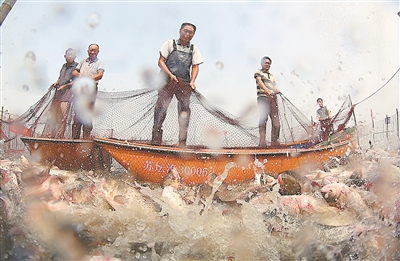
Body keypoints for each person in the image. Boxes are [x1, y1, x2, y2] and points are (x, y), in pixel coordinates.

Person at [151, 23, 203, 147]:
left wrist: (192, 81)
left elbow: (195, 66)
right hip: (166, 81)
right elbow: (161, 62)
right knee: (161, 108)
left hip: (184, 83)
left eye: (191, 32)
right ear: (180, 31)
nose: (187, 34)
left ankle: (182, 142)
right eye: (185, 31)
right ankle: (156, 138)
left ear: (193, 35)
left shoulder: (193, 49)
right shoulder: (170, 44)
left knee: (184, 110)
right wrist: (170, 74)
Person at [71, 43, 104, 139]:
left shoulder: (100, 62)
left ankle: (86, 140)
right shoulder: (82, 61)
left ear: (98, 52)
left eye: (95, 50)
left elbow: (100, 75)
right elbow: (74, 72)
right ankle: (75, 140)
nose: (93, 52)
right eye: (91, 50)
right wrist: (80, 75)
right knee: (77, 114)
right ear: (88, 51)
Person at [48, 48, 78, 138]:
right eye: (68, 55)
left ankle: (59, 136)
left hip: (67, 95)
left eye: (71, 55)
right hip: (58, 94)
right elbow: (60, 78)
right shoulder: (63, 66)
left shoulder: (77, 67)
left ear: (75, 56)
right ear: (64, 56)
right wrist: (57, 82)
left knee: (63, 117)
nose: (69, 56)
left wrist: (65, 86)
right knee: (53, 115)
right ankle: (49, 136)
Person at [255, 56, 281, 147]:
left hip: (272, 99)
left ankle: (274, 142)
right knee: (263, 119)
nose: (267, 65)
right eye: (266, 63)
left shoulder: (271, 76)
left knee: (276, 122)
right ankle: (262, 143)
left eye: (269, 63)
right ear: (262, 63)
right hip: (263, 98)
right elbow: (259, 81)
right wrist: (266, 90)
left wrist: (276, 90)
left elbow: (273, 86)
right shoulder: (258, 72)